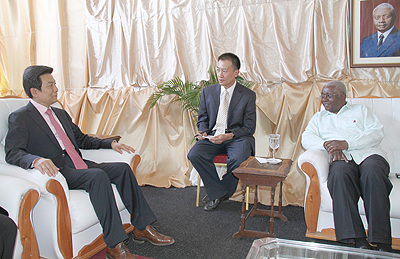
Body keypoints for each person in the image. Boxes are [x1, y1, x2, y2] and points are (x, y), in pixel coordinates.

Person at [5, 66, 174, 259]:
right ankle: (114, 244)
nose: (56, 89)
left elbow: (82, 139)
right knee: (98, 176)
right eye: (50, 85)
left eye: (55, 84)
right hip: (59, 171)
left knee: (123, 170)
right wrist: (35, 160)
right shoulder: (20, 117)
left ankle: (142, 227)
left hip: (80, 164)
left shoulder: (59, 113)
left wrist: (110, 144)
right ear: (34, 91)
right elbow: (13, 152)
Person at [301, 80, 392, 252]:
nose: (325, 99)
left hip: (368, 154)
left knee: (373, 174)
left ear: (343, 96)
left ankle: (382, 241)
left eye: (329, 95)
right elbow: (306, 139)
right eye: (322, 96)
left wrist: (346, 143)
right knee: (339, 175)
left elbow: (376, 132)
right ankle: (357, 239)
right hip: (341, 159)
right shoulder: (319, 118)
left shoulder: (361, 110)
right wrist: (330, 145)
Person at [187, 53, 256, 211]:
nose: (220, 75)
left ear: (236, 73)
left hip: (237, 138)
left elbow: (250, 127)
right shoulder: (208, 92)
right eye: (218, 70)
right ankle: (219, 192)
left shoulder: (248, 95)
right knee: (194, 154)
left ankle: (218, 191)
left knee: (238, 159)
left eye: (225, 71)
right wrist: (203, 131)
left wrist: (229, 135)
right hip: (212, 137)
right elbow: (202, 119)